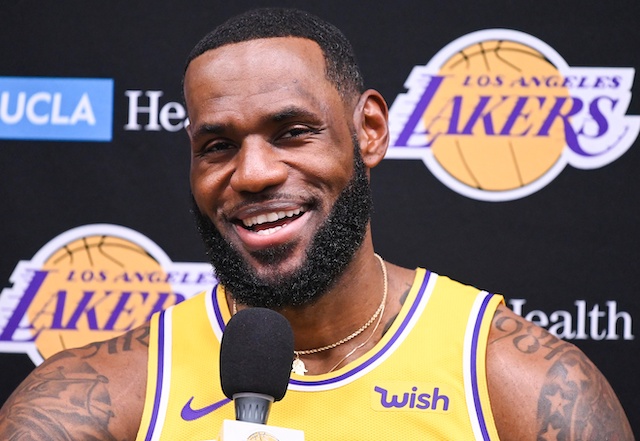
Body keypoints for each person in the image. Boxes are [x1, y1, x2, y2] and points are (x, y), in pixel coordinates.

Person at [0, 7, 634, 440]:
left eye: (293, 132)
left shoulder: (524, 385)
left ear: (371, 131)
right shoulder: (97, 401)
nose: (251, 174)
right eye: (217, 145)